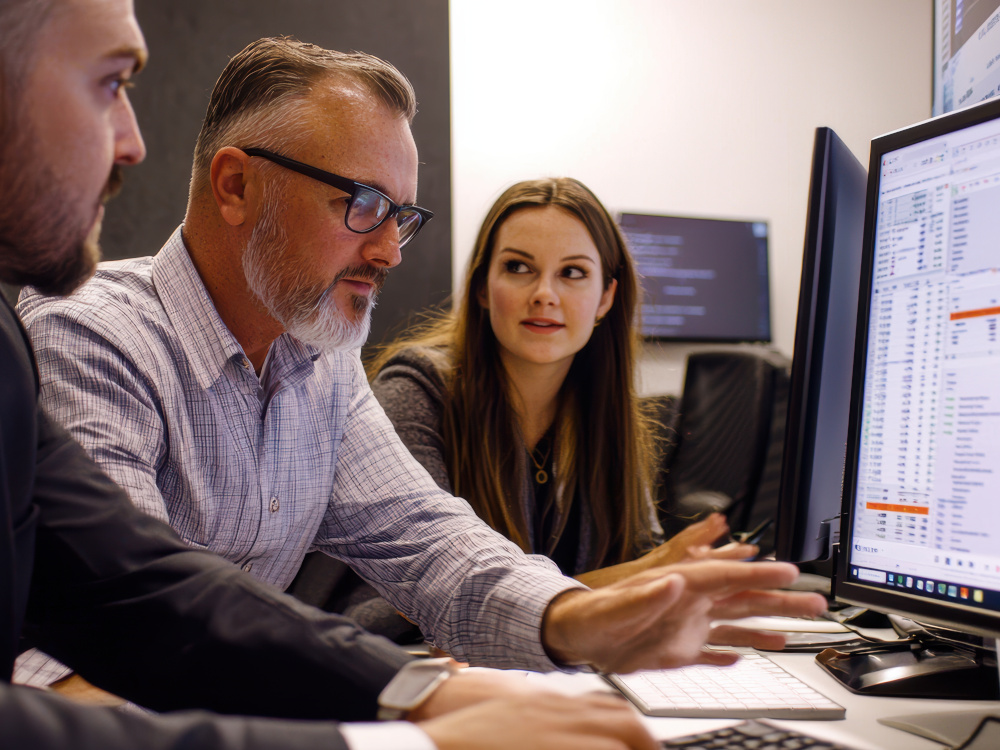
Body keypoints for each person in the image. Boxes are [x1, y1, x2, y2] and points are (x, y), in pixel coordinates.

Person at [0, 1, 819, 749]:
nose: (391, 251)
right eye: (361, 204)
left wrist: (569, 617)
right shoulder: (89, 335)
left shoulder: (321, 353)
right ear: (237, 184)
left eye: (403, 216)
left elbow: (420, 539)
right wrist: (412, 726)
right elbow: (115, 645)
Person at [370, 177, 753, 589]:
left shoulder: (604, 408)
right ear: (482, 287)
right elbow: (437, 588)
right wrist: (658, 569)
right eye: (518, 267)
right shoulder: (414, 391)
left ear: (606, 297)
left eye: (572, 272)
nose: (545, 294)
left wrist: (670, 571)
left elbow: (640, 559)